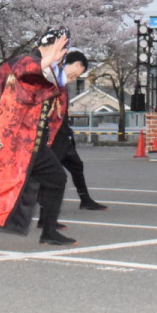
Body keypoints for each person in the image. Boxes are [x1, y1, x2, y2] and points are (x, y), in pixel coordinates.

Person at [0, 29, 73, 255]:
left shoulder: (49, 66)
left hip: (34, 140)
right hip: (15, 141)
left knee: (57, 178)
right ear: (50, 45)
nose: (64, 51)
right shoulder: (28, 61)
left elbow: (1, 79)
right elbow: (20, 73)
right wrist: (45, 63)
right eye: (61, 46)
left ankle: (49, 231)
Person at [41, 49, 107, 214]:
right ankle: (44, 216)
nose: (77, 77)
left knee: (75, 165)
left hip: (62, 132)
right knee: (51, 175)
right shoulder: (53, 77)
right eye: (80, 72)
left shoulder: (62, 81)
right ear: (77, 65)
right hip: (52, 134)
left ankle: (84, 199)